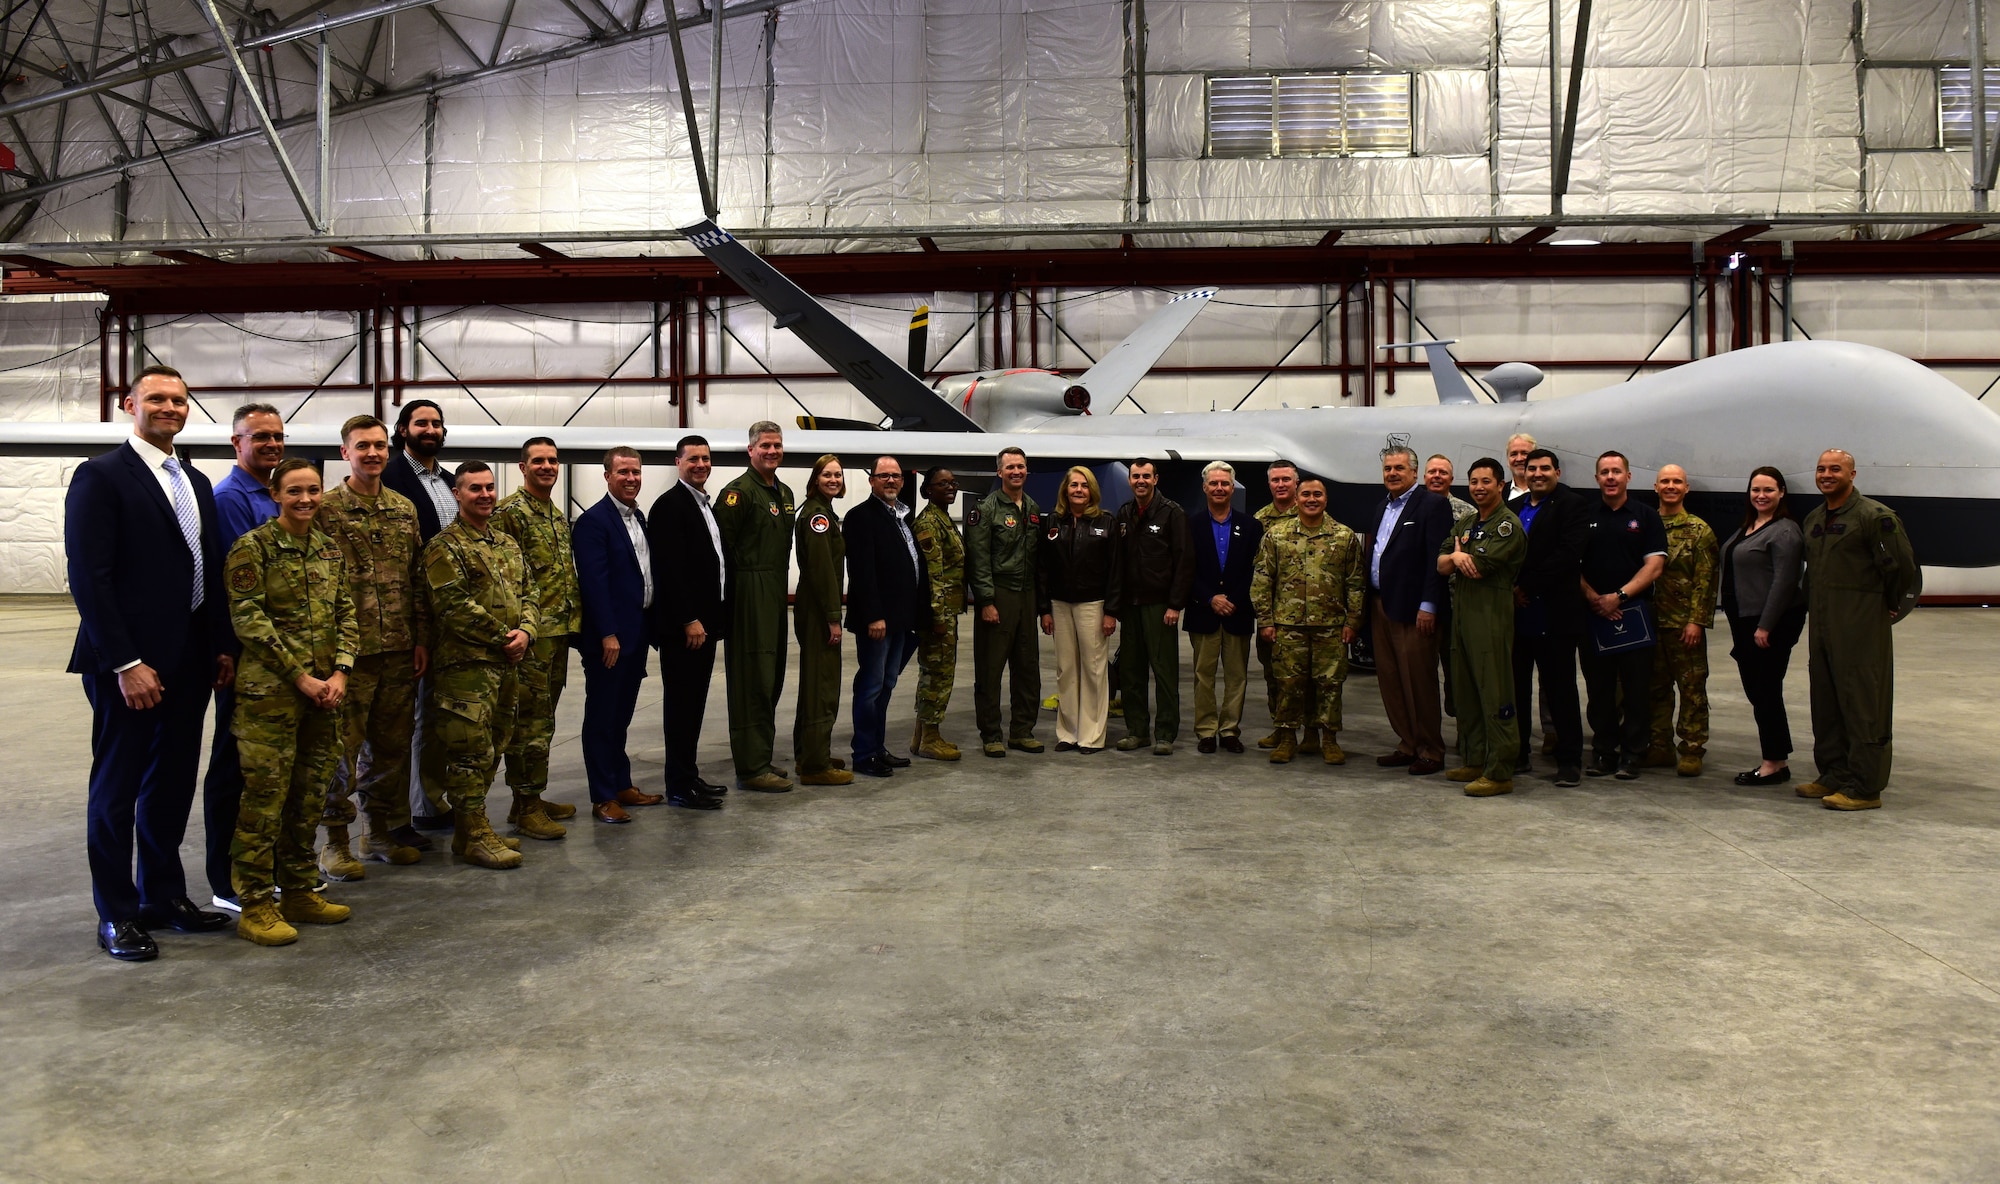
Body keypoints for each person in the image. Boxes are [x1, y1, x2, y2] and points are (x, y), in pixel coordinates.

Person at [66, 364, 235, 961]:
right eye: (157, 399)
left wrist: (218, 645)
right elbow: (90, 578)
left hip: (189, 658)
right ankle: (116, 914)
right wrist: (125, 662)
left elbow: (208, 568)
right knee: (116, 788)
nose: (170, 408)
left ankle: (162, 897)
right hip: (130, 666)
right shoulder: (101, 476)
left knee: (169, 784)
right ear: (129, 404)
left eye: (180, 400)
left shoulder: (192, 479)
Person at [223, 458, 359, 946]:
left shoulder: (328, 549)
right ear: (276, 495)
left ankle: (300, 889)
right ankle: (256, 904)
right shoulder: (252, 549)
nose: (306, 499)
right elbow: (249, 621)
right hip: (272, 698)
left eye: (314, 490)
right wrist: (301, 677)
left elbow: (347, 611)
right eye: (295, 491)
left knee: (309, 797)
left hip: (326, 696)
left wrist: (341, 670)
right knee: (265, 801)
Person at [315, 415, 428, 873]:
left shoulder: (404, 508)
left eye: (380, 446)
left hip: (399, 649)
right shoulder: (323, 509)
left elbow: (417, 578)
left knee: (391, 748)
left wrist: (421, 637)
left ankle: (377, 833)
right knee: (340, 753)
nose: (373, 454)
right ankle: (335, 842)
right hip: (349, 656)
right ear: (346, 452)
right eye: (363, 446)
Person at [423, 463, 536, 869]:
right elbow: (452, 605)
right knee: (469, 752)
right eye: (475, 489)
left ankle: (468, 832)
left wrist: (527, 630)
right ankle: (474, 831)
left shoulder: (506, 543)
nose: (485, 494)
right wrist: (504, 638)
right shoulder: (444, 547)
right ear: (457, 494)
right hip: (466, 668)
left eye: (490, 487)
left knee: (496, 746)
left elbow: (531, 592)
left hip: (507, 666)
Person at [578, 447, 700, 820]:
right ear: (607, 476)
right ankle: (603, 797)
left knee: (621, 717)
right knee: (601, 718)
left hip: (637, 634)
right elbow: (594, 585)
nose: (631, 479)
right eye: (623, 472)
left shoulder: (638, 518)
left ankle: (621, 784)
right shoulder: (593, 523)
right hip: (611, 641)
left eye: (636, 472)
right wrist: (608, 634)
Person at [1798, 449, 1919, 811]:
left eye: (1835, 468)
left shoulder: (1874, 517)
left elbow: (1902, 567)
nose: (1826, 474)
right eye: (1821, 469)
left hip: (1861, 624)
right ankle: (1834, 774)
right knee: (1827, 699)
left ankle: (1866, 787)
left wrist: (1885, 604)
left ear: (1853, 474)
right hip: (1823, 624)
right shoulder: (1815, 518)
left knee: (1865, 702)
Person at [199, 401, 283, 911]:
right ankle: (226, 880)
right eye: (260, 437)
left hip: (282, 659)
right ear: (237, 444)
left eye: (277, 435)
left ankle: (261, 867)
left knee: (267, 772)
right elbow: (244, 590)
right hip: (251, 657)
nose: (271, 444)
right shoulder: (232, 499)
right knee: (233, 767)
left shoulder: (275, 494)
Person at [489, 438, 583, 839]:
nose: (547, 466)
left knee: (544, 719)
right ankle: (527, 806)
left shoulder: (553, 512)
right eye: (538, 461)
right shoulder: (510, 512)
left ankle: (525, 799)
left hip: (557, 631)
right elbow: (502, 574)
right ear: (523, 466)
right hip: (530, 635)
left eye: (552, 460)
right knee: (528, 723)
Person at [380, 399, 457, 833]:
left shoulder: (448, 481)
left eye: (436, 423)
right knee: (404, 719)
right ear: (403, 429)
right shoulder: (391, 477)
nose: (430, 429)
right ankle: (400, 812)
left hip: (448, 615)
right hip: (408, 615)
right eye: (421, 422)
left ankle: (428, 800)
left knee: (435, 714)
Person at [1250, 475, 1364, 765]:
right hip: (1288, 625)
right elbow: (1263, 579)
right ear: (1297, 499)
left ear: (1326, 499)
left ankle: (1328, 738)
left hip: (1331, 625)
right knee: (1288, 683)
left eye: (1317, 494)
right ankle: (1287, 737)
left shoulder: (1344, 536)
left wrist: (1352, 622)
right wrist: (1266, 620)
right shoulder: (1276, 535)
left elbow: (1355, 583)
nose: (1311, 499)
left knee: (1330, 684)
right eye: (1306, 495)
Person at [1437, 458, 1529, 796]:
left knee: (1494, 691)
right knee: (1465, 690)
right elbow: (1442, 562)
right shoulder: (1467, 521)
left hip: (1490, 615)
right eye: (1474, 481)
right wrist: (1457, 558)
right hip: (1462, 612)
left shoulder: (1508, 526)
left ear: (1500, 485)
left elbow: (1481, 565)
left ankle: (1500, 769)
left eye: (1486, 481)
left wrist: (1460, 558)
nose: (1478, 487)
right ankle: (1475, 759)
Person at [646, 435, 732, 802]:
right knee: (681, 706)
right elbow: (669, 569)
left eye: (706, 458)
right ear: (678, 462)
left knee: (694, 704)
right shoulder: (669, 506)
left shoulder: (703, 505)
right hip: (687, 629)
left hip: (704, 625)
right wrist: (688, 618)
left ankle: (688, 775)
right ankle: (679, 786)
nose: (701, 464)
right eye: (693, 459)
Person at [717, 422, 798, 791]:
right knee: (751, 681)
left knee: (771, 678)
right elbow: (722, 551)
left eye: (777, 445)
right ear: (750, 450)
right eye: (765, 445)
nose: (772, 451)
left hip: (776, 591)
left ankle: (762, 756)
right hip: (748, 591)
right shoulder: (738, 493)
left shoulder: (784, 493)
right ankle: (750, 768)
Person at [1578, 451, 1668, 780]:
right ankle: (1603, 751)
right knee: (1599, 690)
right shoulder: (1585, 515)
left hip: (1635, 614)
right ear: (1597, 478)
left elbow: (1655, 565)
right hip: (1593, 614)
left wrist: (1619, 597)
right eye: (1605, 472)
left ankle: (1633, 754)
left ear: (1629, 476)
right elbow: (1572, 564)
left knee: (1636, 691)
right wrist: (1594, 598)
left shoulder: (1645, 516)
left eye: (1617, 471)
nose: (1611, 477)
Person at [1366, 445, 1453, 776]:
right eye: (1388, 468)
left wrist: (1428, 605)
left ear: (1415, 473)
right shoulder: (1381, 507)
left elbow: (1436, 559)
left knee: (1418, 681)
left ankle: (1431, 748)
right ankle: (1407, 742)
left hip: (1414, 610)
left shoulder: (1432, 505)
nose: (1392, 474)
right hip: (1381, 605)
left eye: (1399, 468)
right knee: (1391, 680)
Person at [1719, 467, 1807, 788]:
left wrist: (1766, 626)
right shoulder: (1750, 526)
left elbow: (1784, 583)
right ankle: (1777, 757)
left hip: (1769, 625)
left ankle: (1773, 764)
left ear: (1781, 493)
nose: (1761, 495)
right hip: (1745, 623)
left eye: (1768, 490)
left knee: (1766, 692)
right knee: (1758, 692)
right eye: (1755, 489)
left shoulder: (1784, 531)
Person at [846, 456, 931, 778]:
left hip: (900, 620)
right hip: (878, 622)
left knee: (886, 685)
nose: (891, 481)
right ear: (872, 481)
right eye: (884, 476)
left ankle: (877, 748)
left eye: (896, 476)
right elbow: (862, 572)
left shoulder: (901, 517)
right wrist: (873, 616)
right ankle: (864, 754)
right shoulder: (860, 517)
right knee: (870, 686)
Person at [1510, 448, 1589, 787]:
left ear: (1557, 471)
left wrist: (1525, 583)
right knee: (1516, 689)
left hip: (1555, 613)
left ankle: (1569, 760)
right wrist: (1512, 587)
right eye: (1532, 468)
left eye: (1545, 468)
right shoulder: (1513, 508)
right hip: (1518, 614)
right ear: (1523, 473)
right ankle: (1518, 753)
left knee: (1560, 690)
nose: (1538, 473)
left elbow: (1568, 555)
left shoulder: (1572, 505)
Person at [1112, 458, 1195, 755]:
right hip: (1130, 606)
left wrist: (1175, 604)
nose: (1140, 481)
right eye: (1136, 476)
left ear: (1156, 479)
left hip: (1160, 606)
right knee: (1131, 672)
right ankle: (1137, 731)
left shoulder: (1172, 513)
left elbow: (1184, 562)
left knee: (1164, 672)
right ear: (1130, 480)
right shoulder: (1124, 514)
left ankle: (1165, 733)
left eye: (1146, 476)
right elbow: (1118, 563)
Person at [966, 446, 1045, 757]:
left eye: (1021, 467)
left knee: (1028, 667)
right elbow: (978, 559)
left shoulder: (1033, 508)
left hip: (1027, 596)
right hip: (998, 594)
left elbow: (1038, 561)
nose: (1016, 472)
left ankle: (1022, 731)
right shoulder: (985, 510)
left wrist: (1041, 606)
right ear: (999, 472)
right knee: (990, 669)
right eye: (1010, 467)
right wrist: (986, 600)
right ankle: (991, 734)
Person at [1037, 466, 1120, 754]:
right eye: (1074, 485)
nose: (1079, 490)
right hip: (1059, 605)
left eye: (1084, 485)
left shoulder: (1106, 522)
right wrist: (1044, 609)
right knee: (1066, 669)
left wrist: (1111, 611)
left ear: (1092, 490)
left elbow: (1115, 571)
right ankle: (1068, 733)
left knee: (1094, 670)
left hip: (1093, 604)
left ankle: (1091, 736)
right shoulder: (1052, 522)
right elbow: (1043, 569)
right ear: (1065, 489)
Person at [1646, 464, 1719, 777]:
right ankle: (1659, 745)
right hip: (1650, 623)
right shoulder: (1646, 524)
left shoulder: (1699, 530)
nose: (1671, 486)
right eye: (1665, 481)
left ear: (1686, 488)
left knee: (1691, 688)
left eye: (1677, 481)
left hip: (1682, 625)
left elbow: (1706, 580)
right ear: (1656, 486)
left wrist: (1697, 622)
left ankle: (1691, 747)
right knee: (1655, 689)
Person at [1183, 461, 1261, 755]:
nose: (1219, 488)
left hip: (1237, 612)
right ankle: (1206, 730)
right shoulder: (1191, 524)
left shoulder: (1251, 526)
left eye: (1224, 484)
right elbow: (1186, 568)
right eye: (1213, 484)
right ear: (1204, 488)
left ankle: (1229, 730)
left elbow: (1255, 569)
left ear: (1232, 488)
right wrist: (1209, 598)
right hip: (1203, 612)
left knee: (1236, 676)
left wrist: (1234, 599)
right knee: (1203, 676)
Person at [793, 454, 853, 786]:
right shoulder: (818, 516)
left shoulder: (823, 511)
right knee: (822, 684)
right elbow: (822, 572)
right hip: (818, 609)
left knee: (815, 682)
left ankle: (808, 754)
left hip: (815, 605)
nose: (834, 480)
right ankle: (816, 765)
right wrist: (833, 617)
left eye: (838, 475)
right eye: (827, 475)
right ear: (816, 479)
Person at [910, 468, 966, 761]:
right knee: (937, 675)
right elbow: (934, 576)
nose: (950, 487)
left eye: (953, 483)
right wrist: (939, 618)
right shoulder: (929, 522)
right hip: (939, 615)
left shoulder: (943, 518)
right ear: (927, 489)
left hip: (947, 611)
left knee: (934, 672)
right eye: (942, 483)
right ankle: (930, 738)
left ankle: (921, 735)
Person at [1254, 460, 1301, 749]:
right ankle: (1282, 730)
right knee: (1273, 675)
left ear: (1296, 482)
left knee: (1306, 678)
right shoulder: (1259, 520)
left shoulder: (1313, 512)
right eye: (1276, 480)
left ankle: (1310, 732)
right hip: (1273, 613)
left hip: (1309, 613)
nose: (1281, 484)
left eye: (1286, 479)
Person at [1504, 434, 1536, 506]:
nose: (1519, 459)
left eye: (1525, 453)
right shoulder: (1498, 492)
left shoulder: (1549, 493)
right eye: (1514, 454)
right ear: (1508, 461)